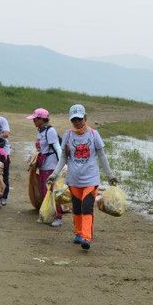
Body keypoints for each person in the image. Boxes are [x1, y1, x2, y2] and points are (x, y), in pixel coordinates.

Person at [48, 103, 118, 251]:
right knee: (77, 208)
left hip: (91, 179)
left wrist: (110, 175)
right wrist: (54, 174)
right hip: (73, 179)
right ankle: (78, 233)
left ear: (85, 118)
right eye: (74, 120)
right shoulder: (67, 135)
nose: (77, 122)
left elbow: (102, 156)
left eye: (79, 119)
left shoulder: (93, 134)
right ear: (71, 120)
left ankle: (86, 237)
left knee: (87, 207)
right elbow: (63, 157)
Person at [28, 108, 63, 227]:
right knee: (44, 191)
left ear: (42, 119)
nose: (33, 121)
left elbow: (57, 148)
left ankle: (58, 217)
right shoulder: (40, 131)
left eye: (35, 119)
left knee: (52, 191)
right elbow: (40, 148)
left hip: (51, 166)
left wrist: (61, 166)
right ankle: (47, 213)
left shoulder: (50, 131)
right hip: (43, 165)